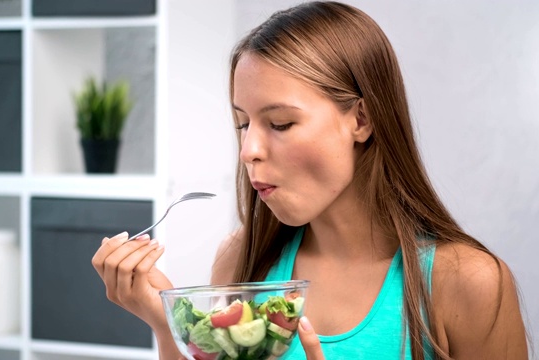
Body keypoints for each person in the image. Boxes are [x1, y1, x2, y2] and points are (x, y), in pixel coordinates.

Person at [92, 2, 529, 359]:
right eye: (243, 125)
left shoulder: (468, 284)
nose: (249, 151)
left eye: (280, 123)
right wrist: (166, 325)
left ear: (362, 119)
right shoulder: (242, 262)